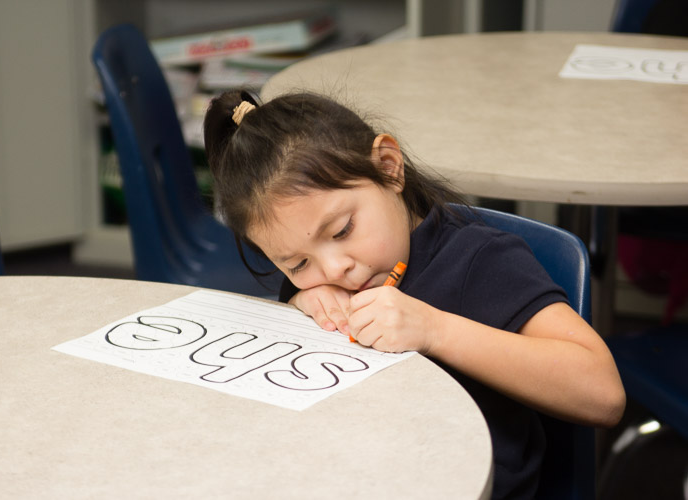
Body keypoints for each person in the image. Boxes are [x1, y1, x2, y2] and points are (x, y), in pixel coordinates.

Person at [203, 89, 625, 499]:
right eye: (296, 264)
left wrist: (435, 330)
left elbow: (602, 394)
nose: (334, 270)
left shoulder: (480, 260)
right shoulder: (317, 281)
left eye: (342, 230)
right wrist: (299, 308)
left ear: (389, 167)